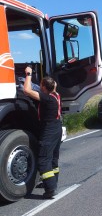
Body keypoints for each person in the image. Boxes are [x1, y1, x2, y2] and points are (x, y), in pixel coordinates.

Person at [23, 66, 62, 199]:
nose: (39, 87)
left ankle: (50, 189)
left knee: (43, 159)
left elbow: (27, 90)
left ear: (44, 88)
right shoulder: (56, 95)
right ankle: (52, 182)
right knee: (53, 159)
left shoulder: (46, 98)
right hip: (57, 128)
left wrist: (28, 74)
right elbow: (54, 84)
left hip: (50, 129)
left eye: (40, 85)